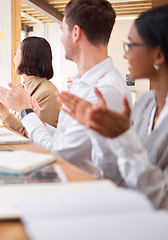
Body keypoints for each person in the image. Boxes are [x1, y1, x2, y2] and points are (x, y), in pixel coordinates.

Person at [0, 0, 131, 184]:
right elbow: (65, 138)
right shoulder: (82, 83)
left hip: (86, 188)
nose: (60, 38)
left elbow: (60, 154)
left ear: (75, 33)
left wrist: (25, 112)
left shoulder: (104, 90)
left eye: (62, 30)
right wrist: (38, 121)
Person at [58, 4, 168, 209]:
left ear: (158, 55)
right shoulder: (144, 105)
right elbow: (113, 174)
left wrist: (121, 137)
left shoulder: (108, 88)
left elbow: (162, 200)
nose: (125, 55)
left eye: (132, 45)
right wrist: (100, 134)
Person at [0, 37, 60, 137]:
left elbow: (33, 136)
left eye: (16, 53)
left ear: (27, 56)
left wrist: (2, 109)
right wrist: (0, 106)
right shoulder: (23, 88)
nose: (13, 58)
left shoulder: (48, 93)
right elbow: (14, 125)